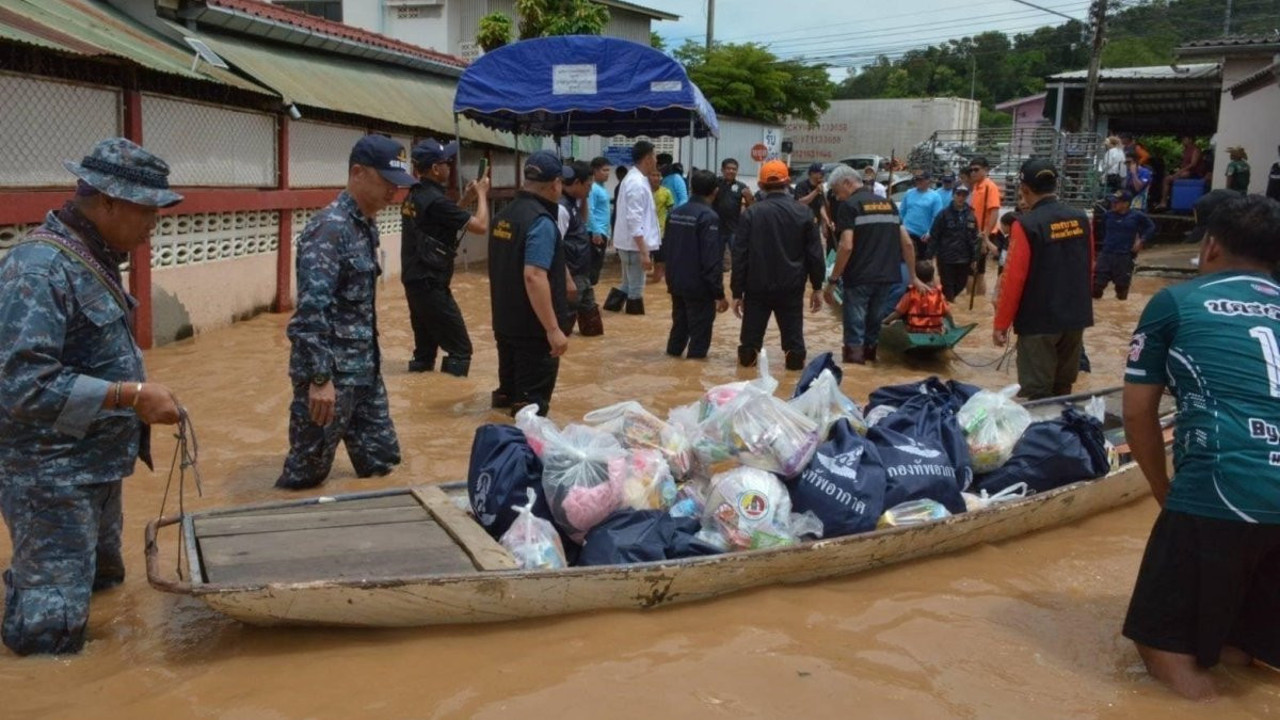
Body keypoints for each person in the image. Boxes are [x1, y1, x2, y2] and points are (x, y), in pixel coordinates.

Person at [0, 138, 184, 656]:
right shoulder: (40, 269)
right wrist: (131, 396)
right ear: (107, 202)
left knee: (103, 590)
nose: (155, 224)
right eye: (147, 211)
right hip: (50, 480)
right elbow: (21, 386)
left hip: (95, 470)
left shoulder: (91, 257)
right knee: (49, 633)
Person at [1121, 192, 1280, 701]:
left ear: (1210, 246)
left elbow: (1136, 412)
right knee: (1235, 642)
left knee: (1161, 645)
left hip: (1221, 486)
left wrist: (1165, 489)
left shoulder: (1177, 301)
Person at [277, 135, 411, 489]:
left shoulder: (365, 226)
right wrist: (320, 380)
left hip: (365, 372)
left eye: (398, 185)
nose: (394, 192)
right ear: (357, 173)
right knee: (305, 479)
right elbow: (309, 313)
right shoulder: (329, 229)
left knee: (383, 466)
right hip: (330, 379)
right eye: (388, 182)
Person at [992, 159, 1094, 400]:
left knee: (1037, 394)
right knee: (1063, 388)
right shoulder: (1081, 218)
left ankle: (1042, 436)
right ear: (1055, 185)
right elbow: (1089, 268)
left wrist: (1001, 324)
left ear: (1024, 189)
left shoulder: (1026, 225)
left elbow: (1014, 279)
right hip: (1075, 318)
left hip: (1039, 322)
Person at [489, 151, 575, 416]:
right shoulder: (541, 221)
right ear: (555, 184)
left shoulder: (504, 215)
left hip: (505, 323)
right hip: (534, 333)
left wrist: (567, 279)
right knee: (530, 414)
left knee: (507, 399)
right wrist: (552, 329)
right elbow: (534, 275)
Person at [400, 139, 489, 377]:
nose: (450, 166)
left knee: (424, 353)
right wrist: (481, 195)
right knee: (461, 349)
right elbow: (480, 226)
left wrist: (466, 199)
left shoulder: (416, 194)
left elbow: (443, 220)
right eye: (446, 162)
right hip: (431, 283)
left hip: (415, 281)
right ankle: (451, 405)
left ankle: (419, 399)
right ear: (435, 169)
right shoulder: (436, 200)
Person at [825, 164, 926, 365]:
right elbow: (907, 243)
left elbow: (846, 246)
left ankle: (854, 371)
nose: (837, 198)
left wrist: (833, 281)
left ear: (847, 183)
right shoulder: (889, 204)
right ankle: (870, 365)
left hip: (859, 278)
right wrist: (914, 276)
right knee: (873, 327)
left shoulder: (850, 206)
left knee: (854, 329)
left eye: (837, 192)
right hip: (887, 278)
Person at [730, 159, 825, 371]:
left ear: (761, 185)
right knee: (794, 342)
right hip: (791, 287)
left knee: (749, 344)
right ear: (788, 182)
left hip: (756, 287)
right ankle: (792, 388)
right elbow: (815, 255)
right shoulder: (804, 213)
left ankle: (744, 385)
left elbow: (740, 255)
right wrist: (817, 287)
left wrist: (736, 292)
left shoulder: (751, 214)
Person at [664, 169, 728, 359]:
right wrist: (719, 293)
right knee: (699, 338)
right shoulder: (709, 217)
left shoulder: (675, 213)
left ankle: (672, 369)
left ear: (691, 188)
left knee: (679, 329)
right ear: (715, 191)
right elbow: (711, 259)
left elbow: (668, 247)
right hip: (699, 287)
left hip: (676, 282)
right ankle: (691, 381)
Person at [606, 140, 660, 315]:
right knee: (636, 289)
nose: (657, 160)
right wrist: (644, 252)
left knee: (628, 284)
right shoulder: (636, 183)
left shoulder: (636, 179)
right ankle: (633, 320)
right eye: (655, 156)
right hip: (634, 245)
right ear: (647, 159)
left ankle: (610, 312)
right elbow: (634, 220)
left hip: (630, 244)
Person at [560, 161, 603, 336]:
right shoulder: (561, 208)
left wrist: (583, 197)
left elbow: (583, 222)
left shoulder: (572, 203)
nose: (590, 190)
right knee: (564, 327)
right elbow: (554, 246)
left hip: (582, 273)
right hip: (572, 274)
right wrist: (567, 279)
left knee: (593, 329)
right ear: (576, 182)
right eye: (588, 185)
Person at [1093, 191, 1156, 300]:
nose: (1113, 204)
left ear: (1126, 204)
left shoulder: (1137, 216)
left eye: (1116, 202)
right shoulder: (1107, 215)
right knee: (1096, 288)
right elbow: (1101, 230)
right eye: (1112, 202)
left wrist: (1141, 240)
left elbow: (1151, 227)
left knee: (1122, 292)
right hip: (1106, 254)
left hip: (1125, 256)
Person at [929, 184, 979, 301]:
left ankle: (945, 303)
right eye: (958, 194)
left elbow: (974, 238)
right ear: (953, 195)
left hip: (964, 257)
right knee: (948, 287)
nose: (961, 197)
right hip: (946, 257)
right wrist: (929, 256)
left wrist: (975, 258)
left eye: (964, 195)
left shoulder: (971, 215)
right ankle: (948, 310)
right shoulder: (943, 214)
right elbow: (934, 235)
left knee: (961, 284)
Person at [882, 260, 952, 333]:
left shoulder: (911, 294)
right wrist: (953, 326)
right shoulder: (939, 294)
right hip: (935, 331)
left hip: (915, 331)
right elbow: (947, 313)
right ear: (932, 278)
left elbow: (898, 313)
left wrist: (884, 321)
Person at [968, 156, 1003, 295]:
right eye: (971, 170)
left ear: (986, 170)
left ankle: (977, 301)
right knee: (973, 270)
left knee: (977, 271)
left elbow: (994, 212)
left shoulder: (990, 186)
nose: (973, 173)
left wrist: (985, 237)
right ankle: (975, 304)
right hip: (975, 232)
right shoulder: (976, 186)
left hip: (984, 234)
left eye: (976, 170)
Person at [900, 171, 944, 259]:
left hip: (923, 237)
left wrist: (929, 232)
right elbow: (902, 212)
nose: (918, 182)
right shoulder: (909, 193)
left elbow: (937, 218)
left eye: (921, 179)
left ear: (928, 180)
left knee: (922, 264)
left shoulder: (935, 196)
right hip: (907, 233)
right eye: (917, 179)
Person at [714, 158, 754, 255]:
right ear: (722, 170)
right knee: (716, 255)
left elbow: (752, 207)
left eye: (734, 169)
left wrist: (749, 198)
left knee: (737, 255)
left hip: (734, 228)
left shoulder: (741, 186)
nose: (731, 171)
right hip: (717, 227)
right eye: (728, 168)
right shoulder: (715, 183)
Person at [1156, 136, 1204, 210]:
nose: (1183, 141)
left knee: (1168, 179)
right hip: (1185, 171)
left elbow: (1193, 164)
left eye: (1185, 139)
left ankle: (1164, 202)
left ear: (1190, 140)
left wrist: (1181, 171)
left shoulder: (1195, 150)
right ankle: (1166, 202)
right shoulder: (1185, 150)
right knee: (1167, 178)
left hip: (1193, 173)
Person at [792, 162, 832, 247]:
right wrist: (815, 192)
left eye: (823, 173)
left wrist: (826, 220)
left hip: (815, 222)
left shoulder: (819, 187)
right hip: (802, 222)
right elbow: (801, 202)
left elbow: (821, 206)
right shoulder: (802, 186)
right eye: (820, 173)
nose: (822, 175)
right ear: (812, 173)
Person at [586, 156, 612, 288]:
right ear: (595, 171)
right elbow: (589, 210)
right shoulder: (593, 188)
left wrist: (609, 234)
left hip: (602, 232)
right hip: (594, 234)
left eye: (608, 170)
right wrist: (595, 231)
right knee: (592, 269)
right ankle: (586, 301)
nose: (607, 173)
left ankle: (589, 299)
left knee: (596, 268)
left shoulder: (602, 188)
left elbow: (605, 212)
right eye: (604, 170)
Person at [649, 166, 675, 283]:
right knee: (643, 261)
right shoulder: (643, 191)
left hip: (661, 231)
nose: (655, 178)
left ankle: (655, 284)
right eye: (653, 175)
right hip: (644, 231)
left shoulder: (666, 192)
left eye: (658, 176)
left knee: (659, 261)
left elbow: (671, 212)